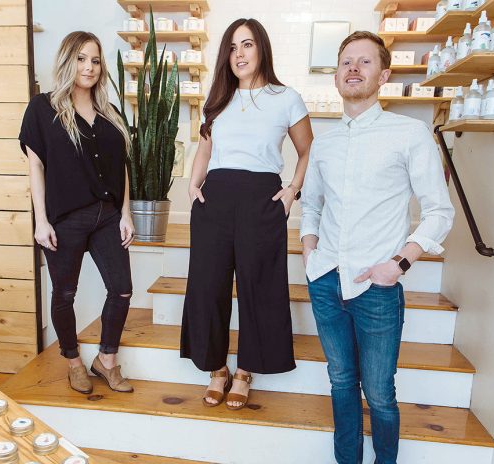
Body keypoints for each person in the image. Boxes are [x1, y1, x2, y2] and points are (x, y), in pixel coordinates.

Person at [300, 31, 455, 463]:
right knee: (341, 381)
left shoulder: (409, 133)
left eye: (364, 62)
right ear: (335, 76)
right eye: (346, 61)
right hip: (326, 280)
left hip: (379, 288)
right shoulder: (324, 142)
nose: (353, 68)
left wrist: (399, 263)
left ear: (383, 74)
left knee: (380, 393)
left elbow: (440, 211)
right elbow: (311, 205)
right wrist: (311, 255)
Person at [180, 18, 314, 410]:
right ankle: (217, 369)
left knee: (259, 285)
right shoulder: (219, 99)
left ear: (262, 50)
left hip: (261, 198)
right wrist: (193, 184)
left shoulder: (286, 97)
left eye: (248, 44)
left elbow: (308, 150)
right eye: (233, 47)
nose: (239, 53)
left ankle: (245, 371)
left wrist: (292, 191)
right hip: (215, 198)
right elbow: (205, 149)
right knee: (208, 285)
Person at [19, 31, 135, 395]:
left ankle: (107, 361)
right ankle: (73, 363)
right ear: (69, 60)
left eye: (96, 60)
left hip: (107, 216)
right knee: (64, 294)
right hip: (65, 219)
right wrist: (40, 221)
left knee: (121, 290)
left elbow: (123, 169)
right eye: (82, 58)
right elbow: (35, 166)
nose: (89, 67)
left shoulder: (110, 112)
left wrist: (126, 214)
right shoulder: (43, 107)